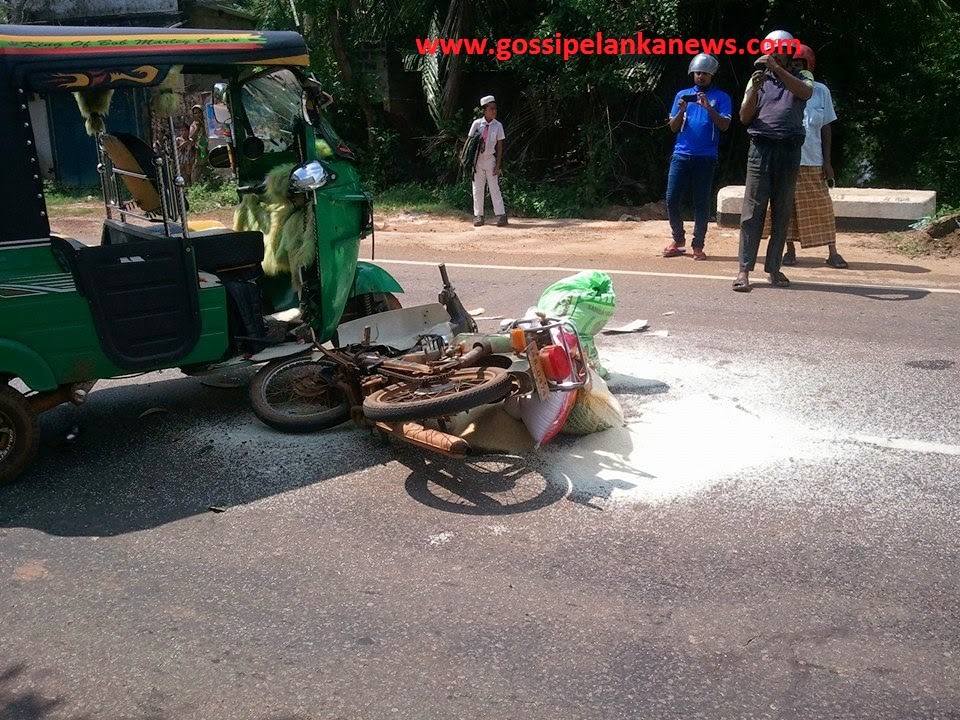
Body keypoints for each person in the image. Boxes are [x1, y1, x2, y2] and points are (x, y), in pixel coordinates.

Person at [734, 30, 814, 292]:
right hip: (761, 149)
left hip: (789, 150)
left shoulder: (802, 75)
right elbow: (744, 117)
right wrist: (755, 90)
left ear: (789, 52)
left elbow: (805, 93)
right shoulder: (757, 79)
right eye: (770, 50)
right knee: (752, 212)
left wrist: (777, 70)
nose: (773, 55)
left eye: (778, 51)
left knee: (782, 211)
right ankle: (744, 271)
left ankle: (774, 269)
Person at [778, 45, 847, 269]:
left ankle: (833, 252)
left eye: (800, 64)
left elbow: (826, 127)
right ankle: (789, 251)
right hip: (788, 159)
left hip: (813, 161)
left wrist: (827, 162)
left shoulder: (821, 91)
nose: (797, 68)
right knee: (787, 208)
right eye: (793, 64)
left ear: (809, 66)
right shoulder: (782, 87)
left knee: (822, 208)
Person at [662, 53, 732, 261]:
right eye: (697, 73)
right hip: (681, 154)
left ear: (712, 75)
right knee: (671, 198)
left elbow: (724, 125)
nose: (700, 76)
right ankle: (678, 239)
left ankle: (698, 245)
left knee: (701, 202)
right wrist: (681, 111)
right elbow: (673, 127)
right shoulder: (682, 95)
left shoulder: (721, 97)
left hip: (706, 157)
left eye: (704, 74)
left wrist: (708, 107)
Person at [466, 95, 507, 227]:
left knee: (494, 187)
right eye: (491, 109)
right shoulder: (477, 124)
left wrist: (498, 165)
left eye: (495, 109)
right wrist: (465, 157)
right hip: (477, 160)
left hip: (490, 159)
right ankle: (478, 215)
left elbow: (499, 146)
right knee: (477, 188)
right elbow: (469, 141)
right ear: (485, 110)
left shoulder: (498, 125)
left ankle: (501, 215)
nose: (494, 111)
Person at [188, 104, 207, 185]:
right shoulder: (193, 125)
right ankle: (195, 185)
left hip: (208, 147)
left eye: (199, 112)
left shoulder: (207, 123)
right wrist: (197, 128)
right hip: (199, 150)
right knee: (198, 168)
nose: (198, 115)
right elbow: (191, 137)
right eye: (195, 113)